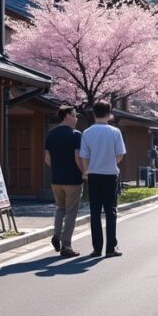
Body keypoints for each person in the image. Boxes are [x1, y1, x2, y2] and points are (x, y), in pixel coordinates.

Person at [79, 101, 126, 258]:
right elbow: (120, 154)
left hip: (93, 175)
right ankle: (111, 248)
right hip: (110, 175)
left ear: (94, 114)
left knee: (95, 212)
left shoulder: (87, 132)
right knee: (110, 211)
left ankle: (97, 248)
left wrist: (86, 171)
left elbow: (84, 155)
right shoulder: (115, 132)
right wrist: (110, 162)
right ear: (109, 114)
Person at [45, 105, 86, 258]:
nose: (76, 119)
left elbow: (47, 159)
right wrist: (84, 173)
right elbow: (77, 157)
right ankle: (66, 245)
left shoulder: (51, 134)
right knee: (71, 212)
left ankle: (56, 235)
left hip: (56, 179)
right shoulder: (76, 135)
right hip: (73, 180)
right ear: (68, 115)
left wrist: (58, 167)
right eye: (75, 115)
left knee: (60, 209)